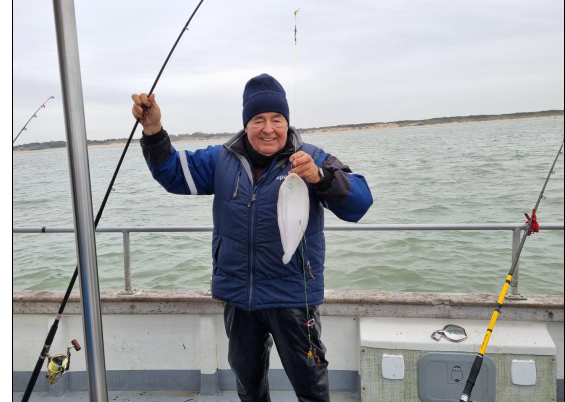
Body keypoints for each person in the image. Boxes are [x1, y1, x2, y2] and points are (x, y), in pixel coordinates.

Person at [132, 73, 373, 402]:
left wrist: (321, 177)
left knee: (311, 386)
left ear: (287, 122)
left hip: (293, 296)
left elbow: (360, 202)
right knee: (248, 386)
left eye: (277, 119)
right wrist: (153, 130)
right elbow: (174, 173)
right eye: (258, 119)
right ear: (246, 124)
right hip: (239, 298)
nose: (268, 128)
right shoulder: (221, 159)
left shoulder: (312, 158)